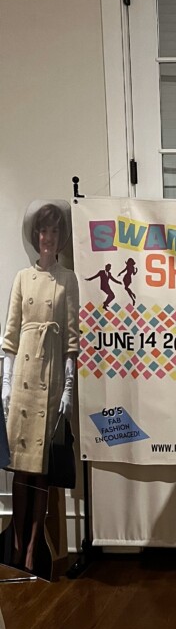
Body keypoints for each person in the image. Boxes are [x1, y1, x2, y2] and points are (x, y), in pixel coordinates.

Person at [2, 202, 79, 574]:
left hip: (49, 381)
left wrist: (67, 388)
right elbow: (10, 336)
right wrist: (5, 383)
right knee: (20, 468)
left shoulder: (68, 279)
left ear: (60, 238)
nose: (48, 238)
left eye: (53, 232)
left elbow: (72, 340)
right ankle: (15, 542)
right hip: (22, 382)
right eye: (43, 232)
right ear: (36, 236)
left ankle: (35, 546)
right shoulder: (21, 277)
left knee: (42, 468)